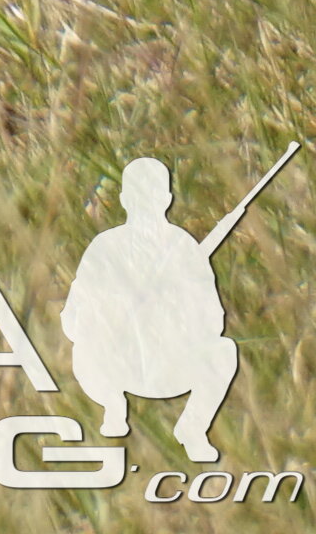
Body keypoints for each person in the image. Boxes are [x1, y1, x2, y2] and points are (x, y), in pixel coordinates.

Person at [66, 157, 244, 465]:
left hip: (169, 365)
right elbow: (75, 317)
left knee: (224, 351)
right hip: (116, 366)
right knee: (84, 348)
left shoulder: (183, 249)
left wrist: (173, 310)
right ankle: (113, 406)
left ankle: (192, 429)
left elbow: (212, 320)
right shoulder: (105, 247)